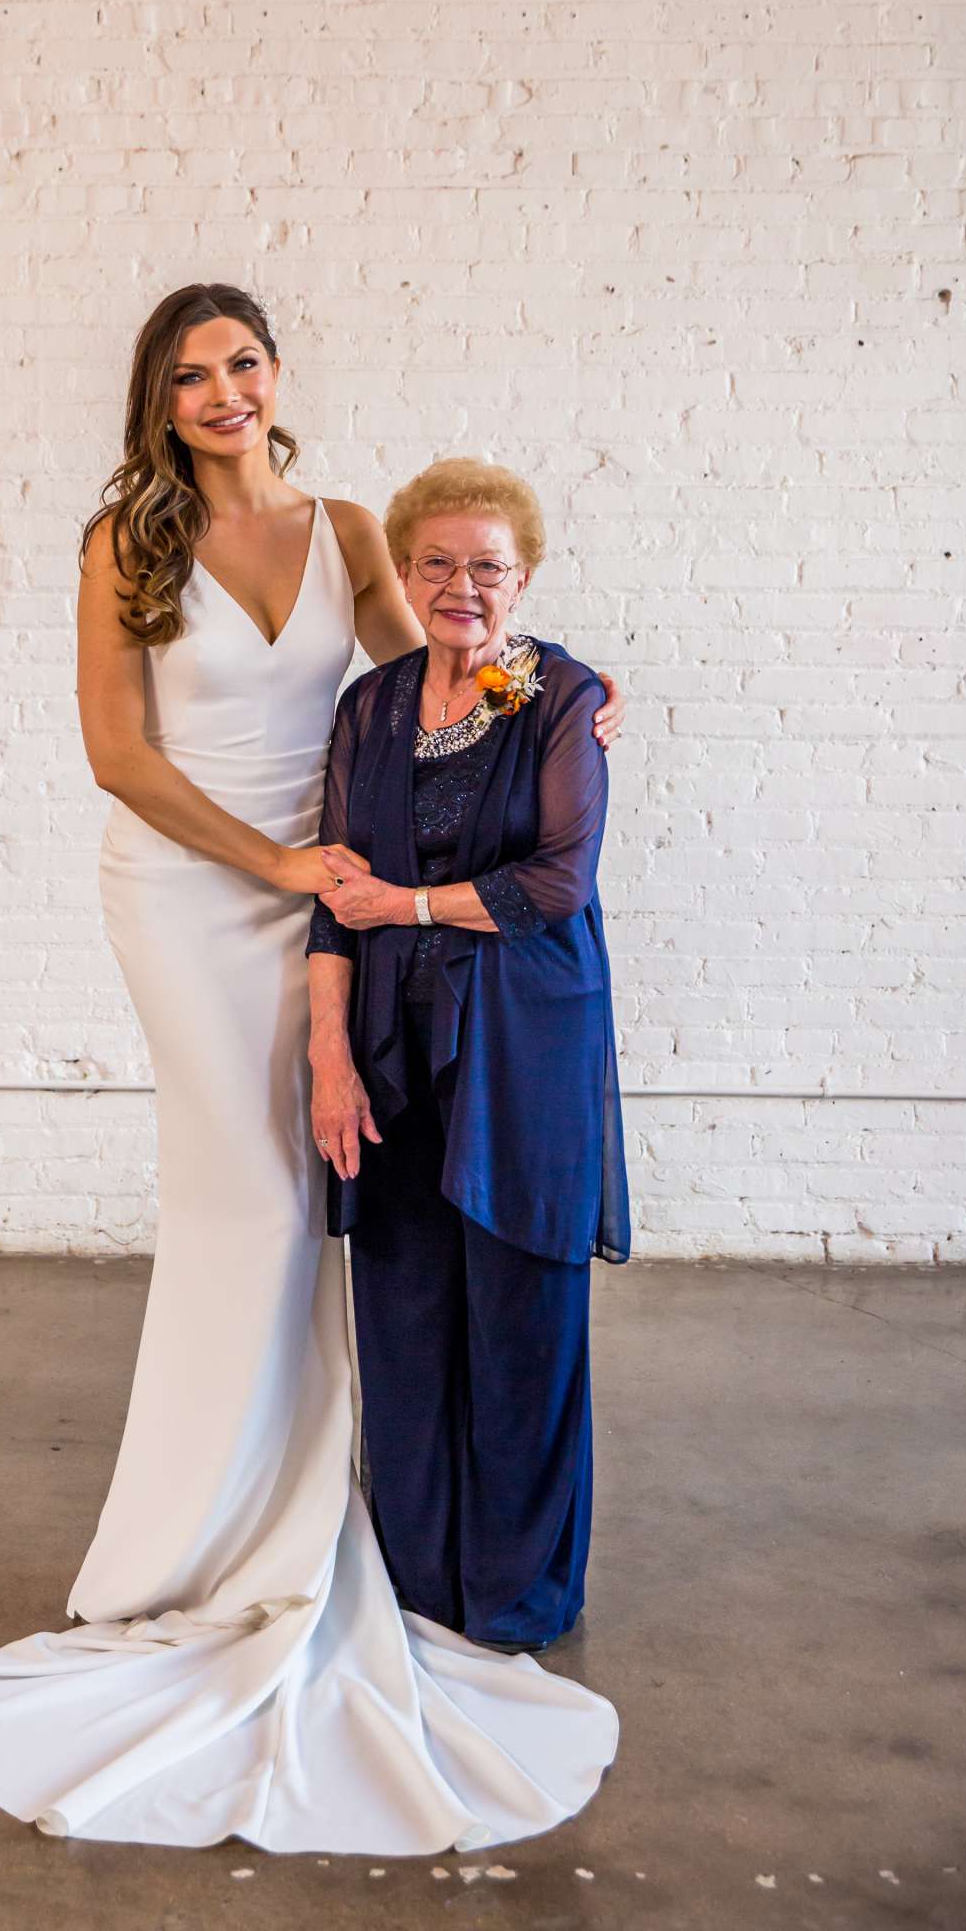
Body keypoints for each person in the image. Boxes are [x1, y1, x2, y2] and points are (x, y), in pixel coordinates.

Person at [0, 286, 625, 1853]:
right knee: (240, 1198)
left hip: (330, 900)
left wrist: (565, 688)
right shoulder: (128, 545)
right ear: (158, 401)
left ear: (274, 374)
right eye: (192, 376)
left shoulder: (356, 524)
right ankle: (185, 1552)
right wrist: (283, 862)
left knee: (327, 1194)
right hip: (188, 888)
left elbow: (432, 677)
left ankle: (313, 1517)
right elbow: (119, 755)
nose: (224, 391)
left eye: (242, 362)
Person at [307, 458, 629, 1658]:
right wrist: (328, 1058)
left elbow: (555, 883)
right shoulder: (370, 708)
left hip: (522, 1045)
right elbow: (335, 900)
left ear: (524, 577)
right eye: (434, 562)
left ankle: (514, 1595)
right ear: (400, 572)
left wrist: (412, 906)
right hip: (390, 1042)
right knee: (400, 1311)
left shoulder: (562, 697)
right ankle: (415, 1584)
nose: (460, 586)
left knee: (521, 1313)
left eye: (485, 565)